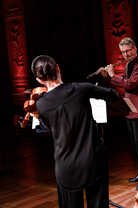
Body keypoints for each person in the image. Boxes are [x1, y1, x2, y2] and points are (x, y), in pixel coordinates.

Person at [31, 55, 119, 208]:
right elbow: (113, 95)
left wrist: (37, 115)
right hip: (93, 162)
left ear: (39, 80)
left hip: (66, 167)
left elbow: (47, 129)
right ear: (58, 68)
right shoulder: (81, 89)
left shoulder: (41, 105)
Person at [103, 37, 138, 190]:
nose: (125, 55)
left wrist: (112, 76)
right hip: (130, 109)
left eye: (128, 51)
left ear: (135, 49)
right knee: (135, 145)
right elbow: (124, 79)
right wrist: (107, 76)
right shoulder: (129, 64)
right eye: (123, 52)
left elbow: (130, 85)